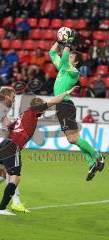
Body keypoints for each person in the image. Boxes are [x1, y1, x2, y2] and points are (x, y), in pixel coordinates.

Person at [0, 87, 77, 215]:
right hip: (13, 147)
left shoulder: (23, 115)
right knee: (14, 179)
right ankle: (2, 208)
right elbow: (52, 101)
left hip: (5, 144)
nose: (45, 111)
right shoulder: (33, 111)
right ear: (39, 107)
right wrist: (67, 92)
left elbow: (11, 126)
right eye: (43, 109)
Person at [49, 30, 104, 181]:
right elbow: (52, 53)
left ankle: (97, 155)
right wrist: (59, 41)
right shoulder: (63, 67)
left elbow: (64, 57)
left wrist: (68, 43)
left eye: (72, 56)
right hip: (61, 106)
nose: (68, 56)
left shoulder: (73, 71)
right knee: (74, 138)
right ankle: (91, 162)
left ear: (76, 62)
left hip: (65, 105)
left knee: (72, 138)